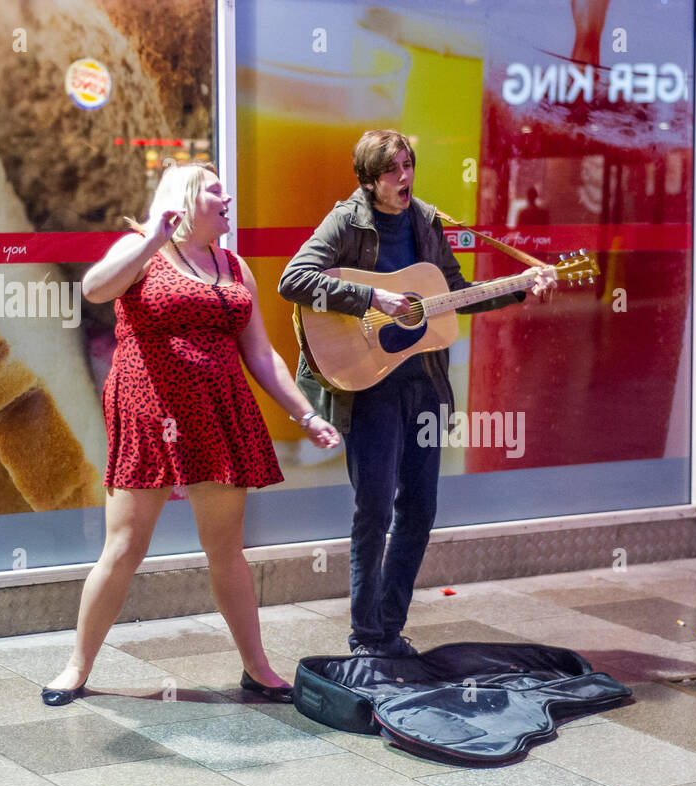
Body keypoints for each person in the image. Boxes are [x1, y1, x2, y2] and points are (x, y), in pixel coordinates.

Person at [41, 162, 339, 705]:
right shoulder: (143, 249)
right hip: (149, 411)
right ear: (188, 199)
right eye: (217, 190)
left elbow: (261, 355)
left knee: (226, 549)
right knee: (124, 546)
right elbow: (94, 288)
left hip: (219, 412)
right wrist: (153, 234)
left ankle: (258, 667)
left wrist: (308, 415)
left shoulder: (233, 265)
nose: (228, 197)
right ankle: (76, 667)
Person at [278, 130, 555, 658]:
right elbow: (294, 280)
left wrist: (519, 286)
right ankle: (365, 636)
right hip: (369, 385)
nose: (403, 178)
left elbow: (450, 299)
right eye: (390, 170)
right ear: (368, 178)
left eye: (408, 165)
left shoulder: (427, 222)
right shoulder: (347, 221)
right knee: (374, 508)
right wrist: (371, 297)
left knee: (420, 509)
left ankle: (388, 627)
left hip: (422, 384)